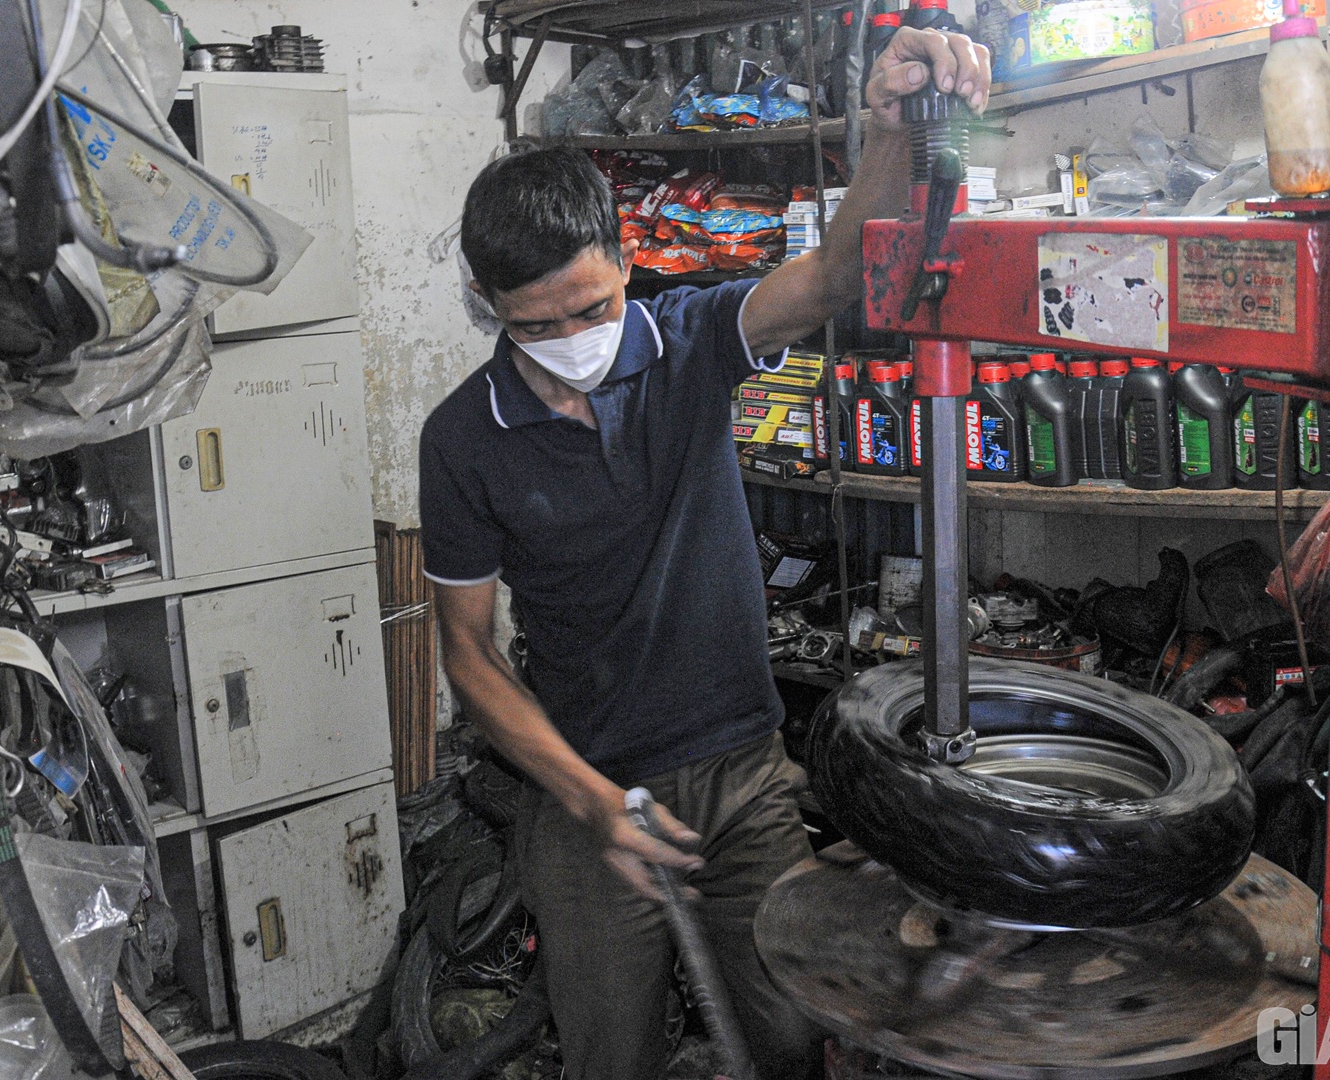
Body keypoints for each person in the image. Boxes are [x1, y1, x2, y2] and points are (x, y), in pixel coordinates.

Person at [419, 27, 993, 1080]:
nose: (571, 342)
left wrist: (880, 132)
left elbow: (826, 277)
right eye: (534, 327)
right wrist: (589, 799)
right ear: (489, 311)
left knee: (789, 1036)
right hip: (588, 791)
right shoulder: (463, 439)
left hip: (744, 772)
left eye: (591, 309)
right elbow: (467, 654)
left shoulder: (687, 341)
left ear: (626, 266)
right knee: (610, 1053)